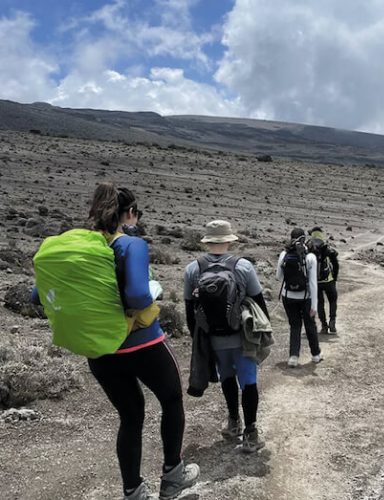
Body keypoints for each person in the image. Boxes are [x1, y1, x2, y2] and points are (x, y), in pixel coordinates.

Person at [34, 183, 199, 500]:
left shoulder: (78, 247)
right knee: (172, 400)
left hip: (100, 350)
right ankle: (173, 477)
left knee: (131, 415)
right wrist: (154, 290)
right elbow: (137, 296)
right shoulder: (130, 245)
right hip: (142, 343)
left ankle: (133, 491)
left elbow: (37, 295)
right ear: (129, 214)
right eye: (136, 213)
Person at [183, 220, 269, 453]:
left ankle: (233, 422)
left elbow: (190, 310)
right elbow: (259, 303)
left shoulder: (192, 269)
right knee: (248, 381)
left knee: (226, 377)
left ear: (208, 241)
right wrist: (265, 331)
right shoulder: (243, 267)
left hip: (214, 339)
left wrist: (199, 341)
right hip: (242, 336)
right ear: (229, 241)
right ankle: (251, 433)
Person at [277, 227, 322, 367]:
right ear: (304, 239)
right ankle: (315, 355)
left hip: (288, 296)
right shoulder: (310, 257)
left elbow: (278, 277)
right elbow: (313, 283)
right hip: (305, 297)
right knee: (310, 325)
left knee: (295, 325)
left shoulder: (284, 254)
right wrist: (314, 305)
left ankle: (293, 357)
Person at [307, 227, 340, 335]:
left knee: (320, 303)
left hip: (316, 282)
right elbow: (336, 264)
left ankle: (324, 326)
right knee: (333, 299)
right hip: (328, 280)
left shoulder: (309, 248)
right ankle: (332, 321)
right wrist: (334, 278)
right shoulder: (326, 248)